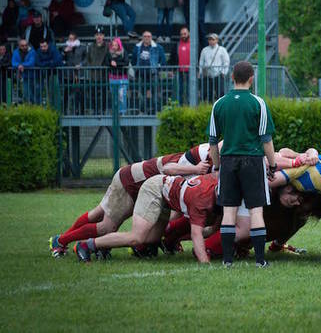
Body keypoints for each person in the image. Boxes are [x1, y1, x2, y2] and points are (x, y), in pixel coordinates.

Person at [49, 146, 211, 257]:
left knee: (99, 213)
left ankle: (63, 240)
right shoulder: (203, 156)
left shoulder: (209, 159)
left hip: (151, 188)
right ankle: (62, 240)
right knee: (106, 226)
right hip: (132, 181)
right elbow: (169, 169)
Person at [208, 60, 277, 268]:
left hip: (228, 161)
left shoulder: (219, 104)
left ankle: (227, 261)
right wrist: (272, 165)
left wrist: (218, 167)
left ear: (231, 78)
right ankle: (260, 261)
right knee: (256, 211)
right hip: (253, 161)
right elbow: (266, 139)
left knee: (229, 212)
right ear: (251, 79)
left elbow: (213, 141)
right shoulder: (258, 103)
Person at [74, 173, 220, 264]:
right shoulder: (201, 200)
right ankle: (87, 245)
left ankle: (104, 246)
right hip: (155, 189)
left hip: (167, 197)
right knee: (137, 237)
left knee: (151, 239)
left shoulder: (216, 181)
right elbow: (197, 234)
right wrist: (205, 263)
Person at [131, 31, 167, 113]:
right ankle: (143, 111)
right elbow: (133, 61)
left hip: (153, 74)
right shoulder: (137, 47)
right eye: (145, 36)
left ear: (151, 38)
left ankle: (156, 111)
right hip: (140, 74)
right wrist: (136, 69)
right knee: (141, 95)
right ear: (142, 38)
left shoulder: (158, 47)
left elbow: (163, 61)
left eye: (149, 36)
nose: (147, 38)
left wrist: (157, 69)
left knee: (156, 94)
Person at [199, 33, 230, 102]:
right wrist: (201, 72)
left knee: (220, 93)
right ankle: (208, 107)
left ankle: (221, 106)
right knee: (207, 93)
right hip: (207, 75)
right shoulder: (204, 50)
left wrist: (223, 72)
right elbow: (201, 62)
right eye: (210, 39)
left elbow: (226, 61)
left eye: (213, 39)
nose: (211, 41)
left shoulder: (222, 50)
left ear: (217, 40)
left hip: (218, 74)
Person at [61, 32, 86, 115]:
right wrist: (64, 52)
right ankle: (65, 110)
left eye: (72, 39)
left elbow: (86, 59)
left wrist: (81, 64)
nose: (71, 41)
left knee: (79, 93)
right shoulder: (65, 47)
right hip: (68, 74)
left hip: (79, 74)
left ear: (76, 39)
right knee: (66, 93)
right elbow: (61, 58)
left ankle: (80, 110)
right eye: (69, 39)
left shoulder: (82, 47)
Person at [103, 37, 130, 114]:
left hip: (122, 78)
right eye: (113, 45)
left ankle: (122, 112)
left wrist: (116, 64)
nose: (114, 47)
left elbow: (126, 62)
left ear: (119, 45)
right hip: (112, 77)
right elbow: (106, 63)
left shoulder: (123, 52)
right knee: (114, 96)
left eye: (116, 45)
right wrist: (112, 64)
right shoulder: (108, 53)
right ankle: (115, 112)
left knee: (122, 96)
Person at [86, 26, 109, 113]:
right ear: (95, 36)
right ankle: (95, 110)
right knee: (93, 95)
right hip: (93, 75)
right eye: (97, 35)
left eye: (101, 34)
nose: (99, 37)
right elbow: (87, 59)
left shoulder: (107, 47)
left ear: (103, 36)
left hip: (103, 75)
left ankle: (103, 110)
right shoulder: (91, 47)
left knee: (104, 95)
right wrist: (91, 66)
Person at [35, 38, 63, 105]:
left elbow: (57, 61)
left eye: (44, 46)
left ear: (48, 45)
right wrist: (49, 63)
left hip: (55, 74)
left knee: (55, 92)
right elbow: (38, 63)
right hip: (44, 74)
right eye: (41, 46)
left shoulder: (53, 49)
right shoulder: (38, 51)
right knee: (44, 92)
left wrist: (45, 63)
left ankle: (56, 108)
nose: (43, 48)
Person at [169, 26, 192, 104]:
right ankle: (181, 106)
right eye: (181, 34)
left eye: (185, 34)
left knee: (190, 90)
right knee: (180, 90)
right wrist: (172, 70)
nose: (183, 35)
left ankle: (190, 106)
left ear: (188, 33)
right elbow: (172, 58)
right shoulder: (177, 45)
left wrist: (198, 70)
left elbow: (198, 57)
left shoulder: (193, 44)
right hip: (179, 71)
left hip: (191, 71)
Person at [11, 38, 36, 103]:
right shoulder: (16, 52)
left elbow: (31, 62)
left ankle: (33, 108)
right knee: (25, 94)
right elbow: (13, 62)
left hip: (32, 76)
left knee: (32, 94)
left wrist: (21, 65)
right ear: (19, 46)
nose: (24, 47)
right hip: (22, 76)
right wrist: (19, 66)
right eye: (22, 45)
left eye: (26, 45)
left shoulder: (32, 52)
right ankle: (28, 108)